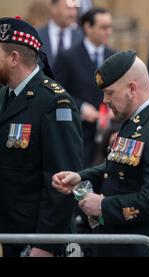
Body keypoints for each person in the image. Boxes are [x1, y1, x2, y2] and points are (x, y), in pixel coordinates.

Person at [51, 51, 149, 257]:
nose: (105, 100)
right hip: (120, 244)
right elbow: (119, 167)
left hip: (144, 248)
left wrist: (103, 206)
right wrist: (81, 177)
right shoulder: (136, 120)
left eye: (110, 92)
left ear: (132, 89)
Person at [0, 17, 83, 257]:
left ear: (14, 58)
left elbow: (62, 180)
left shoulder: (54, 101)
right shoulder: (6, 96)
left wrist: (46, 244)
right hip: (12, 232)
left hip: (38, 239)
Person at [54, 8, 116, 167]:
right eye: (103, 27)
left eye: (110, 27)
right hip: (79, 132)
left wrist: (114, 107)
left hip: (109, 133)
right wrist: (81, 107)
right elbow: (57, 92)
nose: (108, 32)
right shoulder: (68, 57)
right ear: (88, 27)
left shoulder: (115, 56)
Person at [37, 0, 83, 67]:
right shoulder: (37, 35)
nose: (74, 13)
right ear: (53, 8)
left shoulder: (82, 37)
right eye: (69, 8)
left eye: (75, 8)